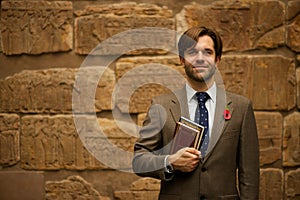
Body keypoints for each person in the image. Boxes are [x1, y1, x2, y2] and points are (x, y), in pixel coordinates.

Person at [132, 26, 259, 200]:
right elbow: (139, 161)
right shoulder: (161, 106)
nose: (200, 58)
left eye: (207, 52)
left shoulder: (241, 107)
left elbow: (250, 175)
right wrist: (170, 162)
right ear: (181, 59)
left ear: (217, 59)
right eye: (192, 52)